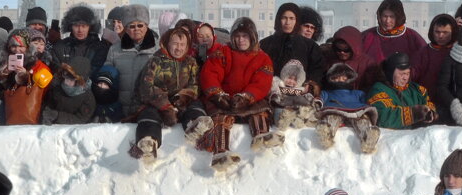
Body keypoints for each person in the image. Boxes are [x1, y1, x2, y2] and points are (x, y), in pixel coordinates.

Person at [199, 17, 279, 169]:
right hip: (224, 99)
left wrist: (246, 97)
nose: (241, 40)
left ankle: (261, 136)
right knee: (219, 118)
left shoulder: (263, 58)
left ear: (253, 37)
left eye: (245, 36)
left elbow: (261, 83)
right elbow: (210, 74)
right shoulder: (222, 52)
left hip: (248, 99)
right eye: (237, 36)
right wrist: (217, 94)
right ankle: (220, 153)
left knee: (259, 111)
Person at [130, 28, 208, 163]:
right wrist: (166, 106)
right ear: (167, 43)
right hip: (156, 102)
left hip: (180, 103)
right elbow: (146, 87)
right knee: (150, 114)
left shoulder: (191, 63)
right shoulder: (156, 60)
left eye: (182, 45)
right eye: (175, 44)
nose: (179, 48)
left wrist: (181, 98)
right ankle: (148, 141)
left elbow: (195, 86)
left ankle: (194, 125)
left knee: (195, 104)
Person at [104, 5, 160, 119]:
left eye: (140, 25)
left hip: (147, 110)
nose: (136, 29)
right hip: (121, 110)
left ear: (147, 26)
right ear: (126, 28)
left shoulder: (158, 49)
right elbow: (107, 73)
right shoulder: (114, 49)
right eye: (132, 26)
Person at [361, 0, 427, 87]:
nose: (387, 20)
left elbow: (422, 64)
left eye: (392, 16)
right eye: (385, 16)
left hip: (404, 88)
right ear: (379, 17)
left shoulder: (412, 37)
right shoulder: (367, 36)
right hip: (373, 87)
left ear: (399, 17)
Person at [367, 51, 437, 128]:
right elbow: (382, 116)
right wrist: (413, 114)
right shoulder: (378, 90)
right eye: (401, 74)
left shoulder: (418, 90)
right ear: (390, 73)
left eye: (407, 73)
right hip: (395, 138)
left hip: (419, 137)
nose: (405, 77)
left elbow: (428, 104)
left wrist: (432, 113)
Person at [259, 2, 326, 81]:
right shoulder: (265, 44)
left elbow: (317, 70)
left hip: (300, 91)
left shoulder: (310, 46)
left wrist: (310, 85)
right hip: (271, 89)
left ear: (297, 21)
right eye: (284, 18)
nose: (287, 22)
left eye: (291, 18)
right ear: (278, 19)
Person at [416, 13, 458, 115]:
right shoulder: (423, 52)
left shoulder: (458, 52)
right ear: (432, 31)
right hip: (427, 101)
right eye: (437, 32)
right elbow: (413, 74)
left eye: (445, 32)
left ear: (453, 33)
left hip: (453, 102)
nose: (441, 36)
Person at [51, 5, 111, 75]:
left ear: (90, 27)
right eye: (76, 26)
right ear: (70, 26)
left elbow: (97, 72)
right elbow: (55, 71)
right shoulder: (60, 47)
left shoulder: (99, 49)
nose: (80, 30)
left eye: (84, 26)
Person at [43, 57, 98, 124]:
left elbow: (81, 120)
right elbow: (49, 106)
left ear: (79, 81)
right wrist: (46, 115)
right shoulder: (57, 89)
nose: (66, 81)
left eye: (71, 78)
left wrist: (58, 116)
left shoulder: (88, 98)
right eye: (65, 76)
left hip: (73, 132)